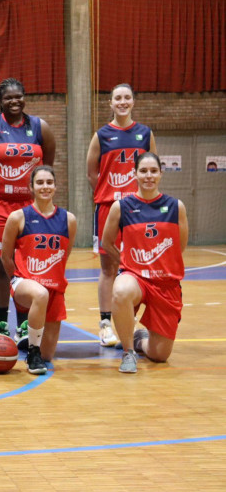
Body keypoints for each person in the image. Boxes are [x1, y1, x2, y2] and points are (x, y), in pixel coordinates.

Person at [0, 77, 56, 344]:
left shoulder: (40, 127)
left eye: (19, 96)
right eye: (9, 98)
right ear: (0, 100)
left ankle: (25, 325)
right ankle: (3, 323)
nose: (14, 101)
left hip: (28, 206)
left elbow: (45, 170)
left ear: (24, 97)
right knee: (0, 265)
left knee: (27, 266)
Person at [102, 152, 188, 374]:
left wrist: (161, 262)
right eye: (143, 171)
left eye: (153, 171)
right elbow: (107, 241)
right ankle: (128, 352)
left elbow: (180, 246)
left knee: (160, 355)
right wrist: (125, 261)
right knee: (120, 289)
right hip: (136, 277)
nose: (148, 176)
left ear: (160, 173)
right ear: (135, 174)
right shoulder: (122, 206)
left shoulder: (175, 206)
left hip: (166, 283)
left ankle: (139, 340)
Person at [85, 83, 156, 347]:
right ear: (111, 103)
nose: (122, 102)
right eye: (118, 98)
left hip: (139, 210)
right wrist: (110, 194)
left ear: (133, 102)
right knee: (109, 268)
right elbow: (92, 172)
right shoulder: (102, 135)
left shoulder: (145, 134)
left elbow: (153, 168)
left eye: (127, 97)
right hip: (109, 207)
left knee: (138, 265)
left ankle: (131, 321)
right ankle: (105, 325)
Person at [0, 166, 76, 375]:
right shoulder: (18, 217)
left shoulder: (68, 219)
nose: (45, 187)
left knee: (48, 354)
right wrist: (17, 280)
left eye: (49, 182)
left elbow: (64, 254)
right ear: (31, 187)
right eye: (40, 183)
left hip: (54, 287)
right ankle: (32, 351)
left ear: (55, 186)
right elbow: (5, 256)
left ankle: (30, 340)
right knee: (39, 293)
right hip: (25, 282)